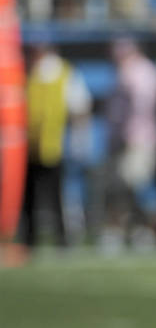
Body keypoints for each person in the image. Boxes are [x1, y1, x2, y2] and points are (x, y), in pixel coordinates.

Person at [21, 42, 91, 250]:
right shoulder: (30, 74)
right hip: (32, 145)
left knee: (56, 196)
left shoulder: (62, 74)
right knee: (31, 197)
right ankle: (30, 239)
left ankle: (61, 238)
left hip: (54, 144)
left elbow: (78, 108)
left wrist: (78, 139)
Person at [102, 37, 156, 252]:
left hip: (137, 139)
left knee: (131, 185)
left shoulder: (141, 72)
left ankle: (141, 230)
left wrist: (130, 134)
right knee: (119, 187)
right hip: (120, 138)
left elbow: (141, 106)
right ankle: (124, 230)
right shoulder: (122, 72)